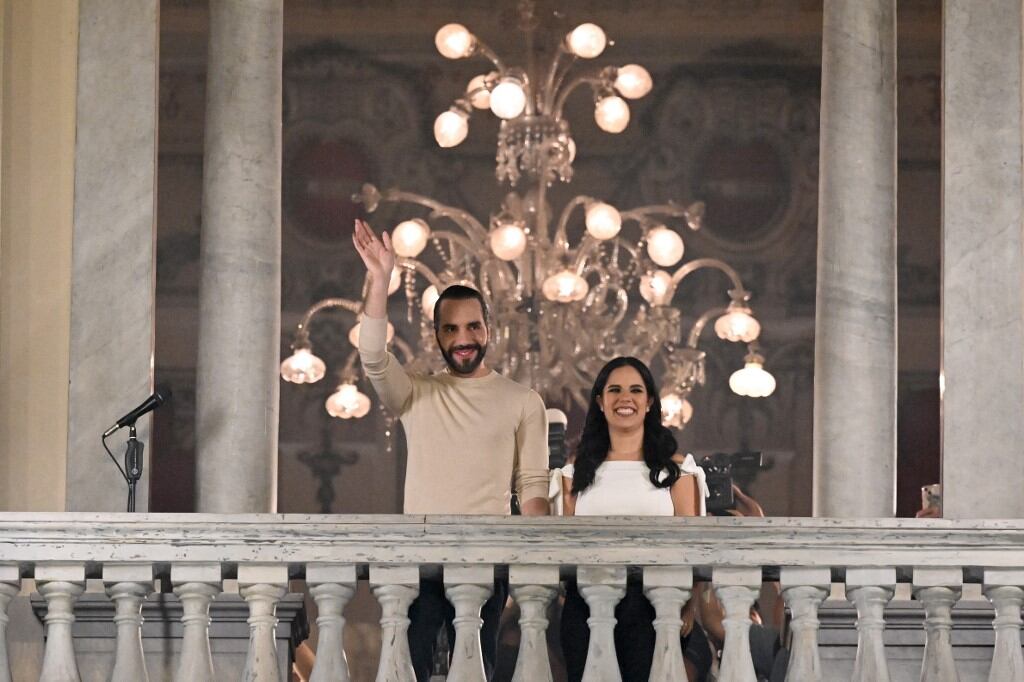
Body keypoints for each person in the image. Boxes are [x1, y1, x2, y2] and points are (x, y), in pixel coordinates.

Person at [351, 218, 550, 681]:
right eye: (451, 329)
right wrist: (381, 280)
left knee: (478, 669)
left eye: (473, 327)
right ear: (436, 335)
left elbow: (534, 489)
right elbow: (374, 358)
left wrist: (538, 567)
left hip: (489, 560)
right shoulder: (414, 394)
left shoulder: (523, 401)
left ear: (489, 329)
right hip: (419, 559)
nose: (463, 339)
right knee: (410, 669)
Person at [560, 356, 712, 681]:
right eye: (614, 390)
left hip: (653, 606)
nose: (624, 398)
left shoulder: (678, 469)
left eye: (635, 390)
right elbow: (562, 548)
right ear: (600, 402)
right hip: (584, 605)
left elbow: (694, 545)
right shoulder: (574, 474)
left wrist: (691, 604)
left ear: (649, 402)